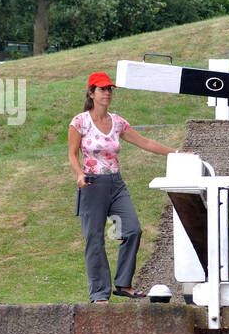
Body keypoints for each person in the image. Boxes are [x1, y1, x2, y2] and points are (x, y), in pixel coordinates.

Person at [68, 72, 181, 303]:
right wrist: (79, 174)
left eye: (110, 88)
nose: (107, 92)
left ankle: (123, 284)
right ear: (91, 93)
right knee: (95, 239)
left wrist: (177, 153)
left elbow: (146, 143)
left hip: (116, 184)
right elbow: (72, 153)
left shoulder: (118, 122)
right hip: (92, 184)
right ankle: (99, 294)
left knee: (132, 230)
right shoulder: (80, 122)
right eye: (102, 89)